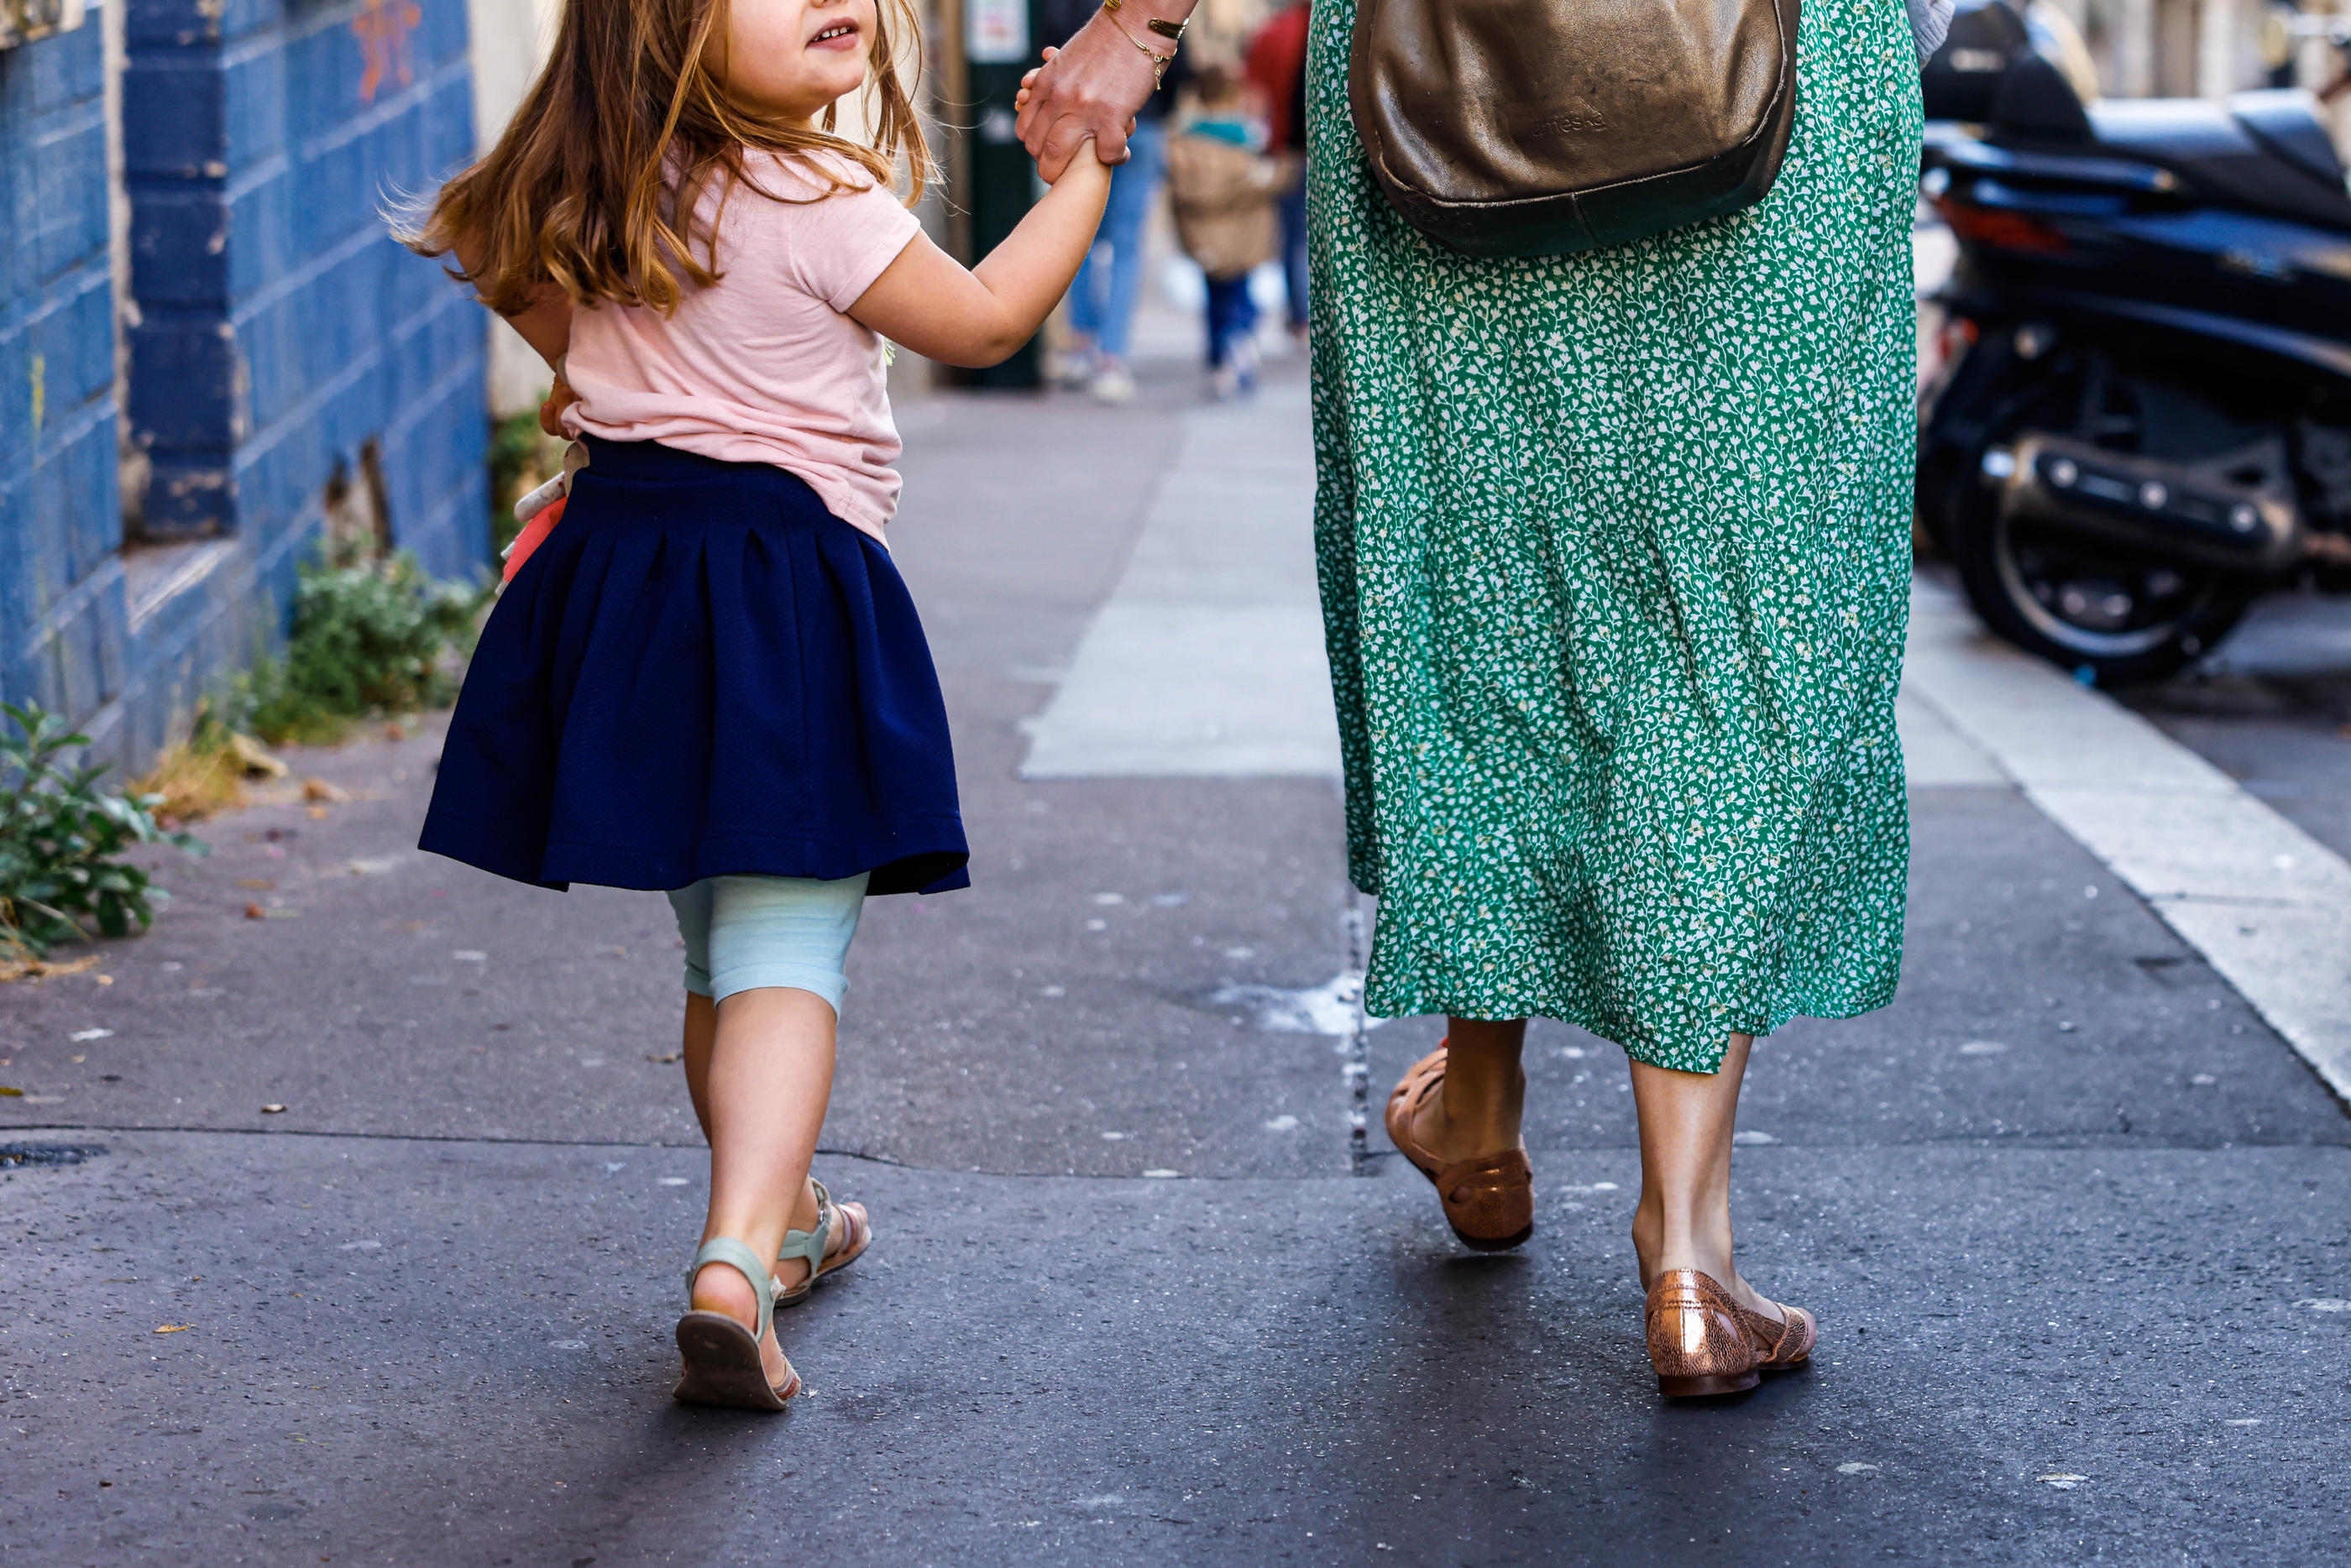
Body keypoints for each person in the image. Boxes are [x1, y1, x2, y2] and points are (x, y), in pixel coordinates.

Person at [1021, 0, 1920, 1398]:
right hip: (1773, 67)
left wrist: (1138, 28)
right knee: (1741, 611)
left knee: (1488, 571)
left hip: (1452, 73)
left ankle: (1484, 1094)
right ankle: (1688, 1247)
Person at [406, 0, 1110, 1410]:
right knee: (785, 938)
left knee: (711, 952)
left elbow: (484, 244)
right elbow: (982, 320)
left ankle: (781, 1218)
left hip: (621, 589)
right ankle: (734, 1256)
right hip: (778, 592)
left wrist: (587, 374)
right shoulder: (816, 192)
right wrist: (1087, 171)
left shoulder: (588, 188)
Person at [1039, 0, 1183, 403]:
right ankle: (1112, 356)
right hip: (1144, 122)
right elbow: (1177, 52)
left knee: (1079, 239)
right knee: (1126, 246)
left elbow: (1047, 50)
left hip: (1079, 123)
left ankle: (1083, 344)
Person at [1164, 63, 1280, 399]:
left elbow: (1177, 195)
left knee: (1214, 296)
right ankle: (1238, 342)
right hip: (1243, 237)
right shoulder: (1248, 139)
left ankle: (1218, 356)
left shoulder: (1183, 140)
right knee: (1240, 295)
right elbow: (1265, 181)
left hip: (1204, 237)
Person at [1243, 0, 1309, 339]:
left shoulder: (1273, 32)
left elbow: (1255, 96)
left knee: (1294, 239)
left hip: (1288, 151)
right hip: (1335, 152)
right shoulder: (1350, 32)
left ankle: (1301, 318)